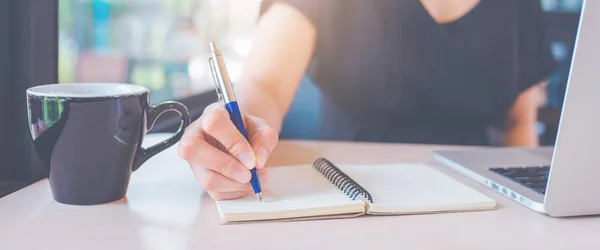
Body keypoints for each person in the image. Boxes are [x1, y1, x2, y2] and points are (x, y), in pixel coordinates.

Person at [178, 0, 556, 200]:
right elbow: (265, 84)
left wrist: (533, 202)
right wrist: (237, 132)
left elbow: (518, 124)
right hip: (348, 196)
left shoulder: (521, 4)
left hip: (479, 202)